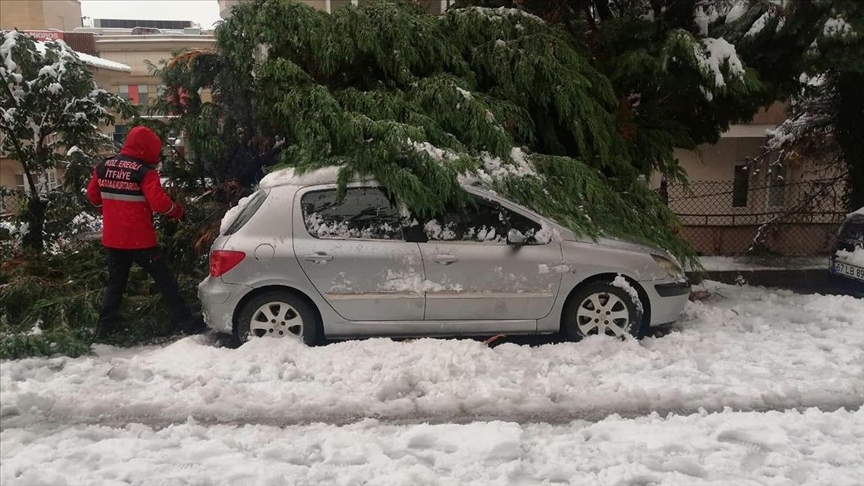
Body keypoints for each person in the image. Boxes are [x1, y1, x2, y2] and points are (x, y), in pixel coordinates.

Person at [86, 126, 205, 338]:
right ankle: (187, 322)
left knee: (115, 285)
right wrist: (178, 212)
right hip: (141, 241)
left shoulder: (103, 166)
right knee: (165, 281)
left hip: (113, 240)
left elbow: (92, 196)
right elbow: (159, 204)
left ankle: (103, 330)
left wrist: (110, 210)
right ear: (146, 148)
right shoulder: (144, 172)